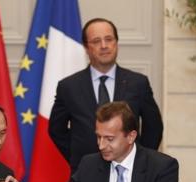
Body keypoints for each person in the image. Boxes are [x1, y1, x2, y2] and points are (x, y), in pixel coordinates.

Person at [32, 101, 178, 182]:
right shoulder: (89, 165)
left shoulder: (161, 166)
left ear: (131, 136)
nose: (101, 146)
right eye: (98, 137)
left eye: (109, 139)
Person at [49, 18, 163, 173]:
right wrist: (78, 155)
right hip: (85, 173)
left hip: (130, 171)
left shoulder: (138, 83)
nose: (104, 46)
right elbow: (56, 129)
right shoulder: (68, 86)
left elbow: (154, 126)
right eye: (96, 41)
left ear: (116, 43)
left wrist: (139, 158)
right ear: (86, 47)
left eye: (109, 39)